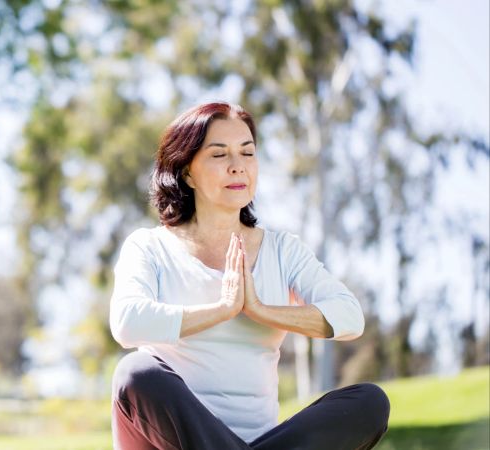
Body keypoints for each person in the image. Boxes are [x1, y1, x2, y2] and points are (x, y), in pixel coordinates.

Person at [109, 102, 390, 450]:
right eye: (219, 155)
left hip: (262, 439)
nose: (237, 167)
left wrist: (259, 309)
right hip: (171, 443)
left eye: (247, 153)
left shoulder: (282, 250)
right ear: (187, 172)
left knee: (369, 402)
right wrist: (223, 308)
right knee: (136, 373)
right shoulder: (150, 247)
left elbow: (349, 317)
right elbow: (127, 322)